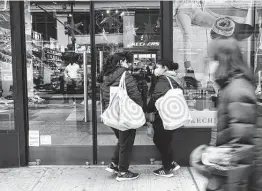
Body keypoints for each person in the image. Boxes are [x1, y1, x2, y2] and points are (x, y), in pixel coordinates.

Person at [190, 38, 257, 190]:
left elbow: (242, 147)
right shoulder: (232, 87)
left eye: (211, 60)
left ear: (221, 60)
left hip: (231, 181)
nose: (209, 65)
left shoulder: (238, 90)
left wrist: (206, 158)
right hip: (227, 178)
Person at [100, 52, 143, 181]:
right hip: (125, 113)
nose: (127, 64)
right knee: (127, 142)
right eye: (125, 61)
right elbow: (134, 94)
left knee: (122, 140)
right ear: (120, 62)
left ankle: (114, 164)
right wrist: (140, 108)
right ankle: (123, 172)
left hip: (112, 113)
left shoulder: (105, 76)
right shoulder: (125, 74)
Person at [147, 60, 183, 177]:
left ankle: (167, 169)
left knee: (160, 140)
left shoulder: (163, 79)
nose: (155, 70)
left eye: (157, 67)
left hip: (163, 115)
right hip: (172, 113)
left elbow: (155, 96)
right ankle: (171, 163)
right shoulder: (175, 78)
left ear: (165, 68)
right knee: (165, 140)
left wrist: (148, 109)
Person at [174, 0, 216, 74]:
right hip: (183, 10)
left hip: (197, 10)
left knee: (216, 22)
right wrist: (173, 12)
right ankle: (187, 64)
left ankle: (215, 55)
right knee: (188, 34)